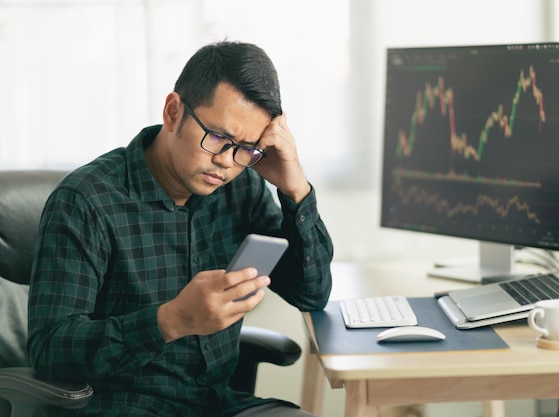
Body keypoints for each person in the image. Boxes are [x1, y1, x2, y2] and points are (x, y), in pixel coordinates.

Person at [27, 41, 333, 417]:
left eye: (245, 148)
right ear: (173, 112)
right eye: (218, 137)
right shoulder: (86, 201)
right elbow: (49, 350)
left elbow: (312, 293)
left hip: (218, 403)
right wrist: (170, 321)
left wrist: (295, 189)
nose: (225, 162)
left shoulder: (242, 186)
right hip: (123, 406)